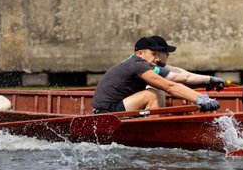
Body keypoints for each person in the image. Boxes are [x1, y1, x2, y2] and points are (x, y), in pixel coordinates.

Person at [92, 37, 220, 113]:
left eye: (158, 55)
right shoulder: (137, 65)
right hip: (105, 113)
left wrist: (202, 89)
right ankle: (157, 132)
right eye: (154, 54)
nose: (157, 59)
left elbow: (174, 81)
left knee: (157, 91)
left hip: (112, 109)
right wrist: (200, 99)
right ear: (140, 53)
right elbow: (170, 86)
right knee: (151, 94)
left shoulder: (141, 64)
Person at [151, 36, 226, 92]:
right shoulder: (153, 69)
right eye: (166, 52)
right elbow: (186, 78)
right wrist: (209, 79)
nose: (168, 54)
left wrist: (204, 81)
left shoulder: (157, 67)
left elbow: (181, 73)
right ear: (156, 53)